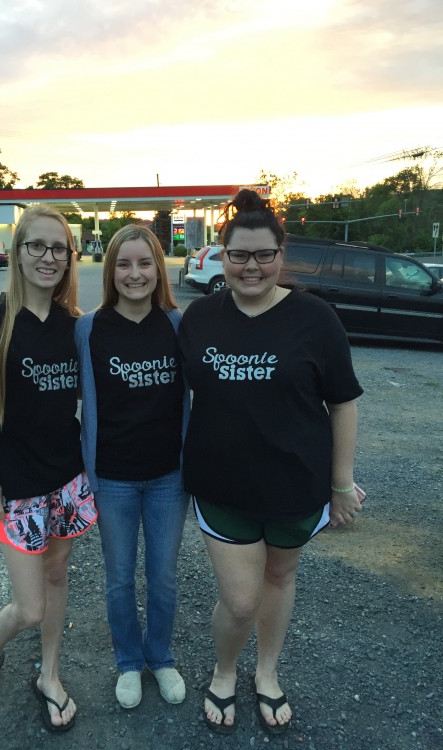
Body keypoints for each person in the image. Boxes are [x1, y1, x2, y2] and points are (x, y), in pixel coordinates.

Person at [177, 189, 364, 735]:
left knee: (280, 578)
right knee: (239, 601)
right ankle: (224, 669)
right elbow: (160, 391)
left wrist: (341, 484)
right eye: (239, 255)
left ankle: (267, 671)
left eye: (263, 255)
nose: (251, 266)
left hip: (296, 486)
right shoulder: (200, 319)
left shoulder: (316, 318)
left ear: (281, 255)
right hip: (222, 486)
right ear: (222, 256)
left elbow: (343, 402)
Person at [0, 205, 97, 733]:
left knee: (57, 574)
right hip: (15, 483)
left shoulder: (75, 326)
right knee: (29, 606)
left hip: (68, 479)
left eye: (59, 248)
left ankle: (49, 675)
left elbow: (88, 399)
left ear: (69, 257)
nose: (48, 257)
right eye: (37, 246)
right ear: (17, 252)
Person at [75, 224, 190, 710]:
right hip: (113, 479)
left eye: (145, 263)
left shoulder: (179, 325)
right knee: (120, 578)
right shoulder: (88, 328)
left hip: (169, 478)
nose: (134, 273)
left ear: (158, 269)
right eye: (124, 264)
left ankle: (159, 657)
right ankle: (128, 662)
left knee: (162, 577)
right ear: (110, 269)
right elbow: (52, 387)